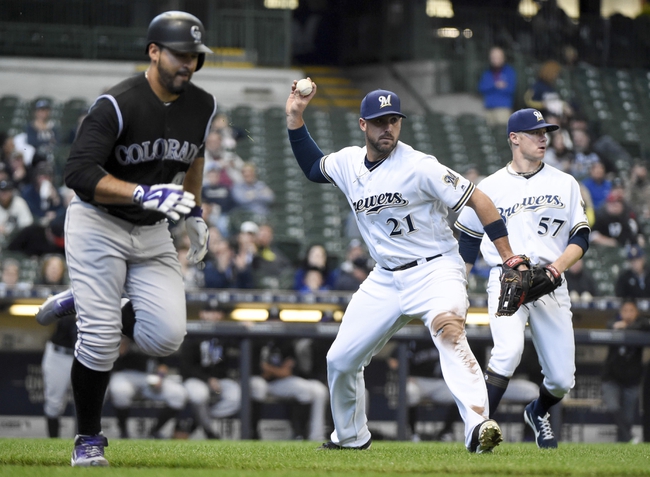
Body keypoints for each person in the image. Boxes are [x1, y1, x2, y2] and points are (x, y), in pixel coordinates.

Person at [286, 82, 526, 453]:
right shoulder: (349, 162)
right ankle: (351, 438)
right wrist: (295, 117)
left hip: (435, 270)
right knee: (340, 359)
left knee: (449, 330)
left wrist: (508, 255)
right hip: (385, 277)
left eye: (394, 120)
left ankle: (478, 427)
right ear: (363, 124)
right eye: (380, 121)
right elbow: (313, 169)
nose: (388, 128)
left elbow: (480, 199)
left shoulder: (419, 166)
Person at [32, 11, 215, 466]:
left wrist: (192, 207)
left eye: (193, 55)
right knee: (99, 339)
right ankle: (88, 439)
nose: (187, 63)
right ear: (154, 52)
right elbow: (77, 172)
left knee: (167, 336)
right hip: (98, 223)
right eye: (178, 54)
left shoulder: (203, 104)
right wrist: (139, 190)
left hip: (152, 230)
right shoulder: (116, 103)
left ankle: (94, 297)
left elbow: (194, 155)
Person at [455, 108, 591, 449]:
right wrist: (457, 287)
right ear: (514, 138)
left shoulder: (565, 183)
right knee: (508, 351)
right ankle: (477, 433)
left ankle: (538, 411)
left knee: (561, 380)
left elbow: (582, 237)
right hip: (507, 282)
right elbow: (468, 241)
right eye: (535, 132)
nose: (543, 137)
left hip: (550, 281)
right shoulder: (490, 186)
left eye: (545, 132)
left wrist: (555, 269)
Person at [387, 340, 539, 442]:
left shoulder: (460, 335)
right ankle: (413, 434)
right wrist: (404, 374)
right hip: (420, 380)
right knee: (410, 391)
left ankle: (445, 432)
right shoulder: (419, 335)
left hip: (448, 382)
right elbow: (392, 359)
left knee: (461, 392)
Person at [176, 306, 241, 439]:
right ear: (202, 314)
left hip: (219, 380)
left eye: (217, 312)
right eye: (209, 312)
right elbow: (186, 367)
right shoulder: (192, 333)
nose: (213, 316)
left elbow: (239, 343)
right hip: (196, 379)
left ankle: (198, 420)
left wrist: (244, 326)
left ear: (221, 315)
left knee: (236, 397)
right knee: (199, 395)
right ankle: (210, 432)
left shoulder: (225, 334)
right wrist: (207, 379)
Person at [108, 337, 188, 439]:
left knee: (178, 394)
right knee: (120, 391)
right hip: (124, 374)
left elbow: (163, 363)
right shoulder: (126, 328)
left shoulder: (155, 334)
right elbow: (113, 356)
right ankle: (123, 432)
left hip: (148, 376)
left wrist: (160, 377)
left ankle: (154, 431)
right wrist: (122, 342)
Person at [250, 338, 329, 442]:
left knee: (306, 391)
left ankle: (302, 434)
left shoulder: (285, 343)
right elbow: (258, 370)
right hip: (258, 380)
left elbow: (286, 372)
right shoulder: (256, 342)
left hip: (279, 382)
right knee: (258, 387)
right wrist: (275, 371)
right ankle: (253, 432)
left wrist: (269, 369)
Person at [601, 299, 650, 443]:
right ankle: (630, 439)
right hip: (611, 378)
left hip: (631, 380)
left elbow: (646, 324)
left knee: (628, 418)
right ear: (620, 312)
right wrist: (618, 327)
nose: (628, 314)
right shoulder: (613, 323)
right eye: (625, 311)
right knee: (613, 407)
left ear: (637, 313)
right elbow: (609, 325)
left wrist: (627, 328)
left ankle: (623, 445)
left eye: (631, 311)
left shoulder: (641, 324)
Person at [41, 315, 77, 438]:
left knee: (87, 401)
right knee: (54, 404)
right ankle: (53, 443)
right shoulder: (71, 299)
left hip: (84, 354)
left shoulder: (99, 301)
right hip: (59, 355)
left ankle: (83, 444)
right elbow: (43, 316)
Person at [477, 46, 517, 127]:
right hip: (489, 108)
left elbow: (511, 89)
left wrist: (492, 87)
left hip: (503, 108)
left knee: (503, 133)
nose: (495, 60)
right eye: (493, 57)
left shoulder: (509, 72)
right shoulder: (487, 72)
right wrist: (495, 85)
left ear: (503, 58)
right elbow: (481, 87)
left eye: (498, 57)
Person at [0, 178, 34, 245]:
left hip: (17, 240)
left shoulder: (19, 203)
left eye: (7, 190)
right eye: (2, 191)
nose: (4, 193)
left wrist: (9, 232)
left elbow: (27, 225)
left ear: (11, 191)